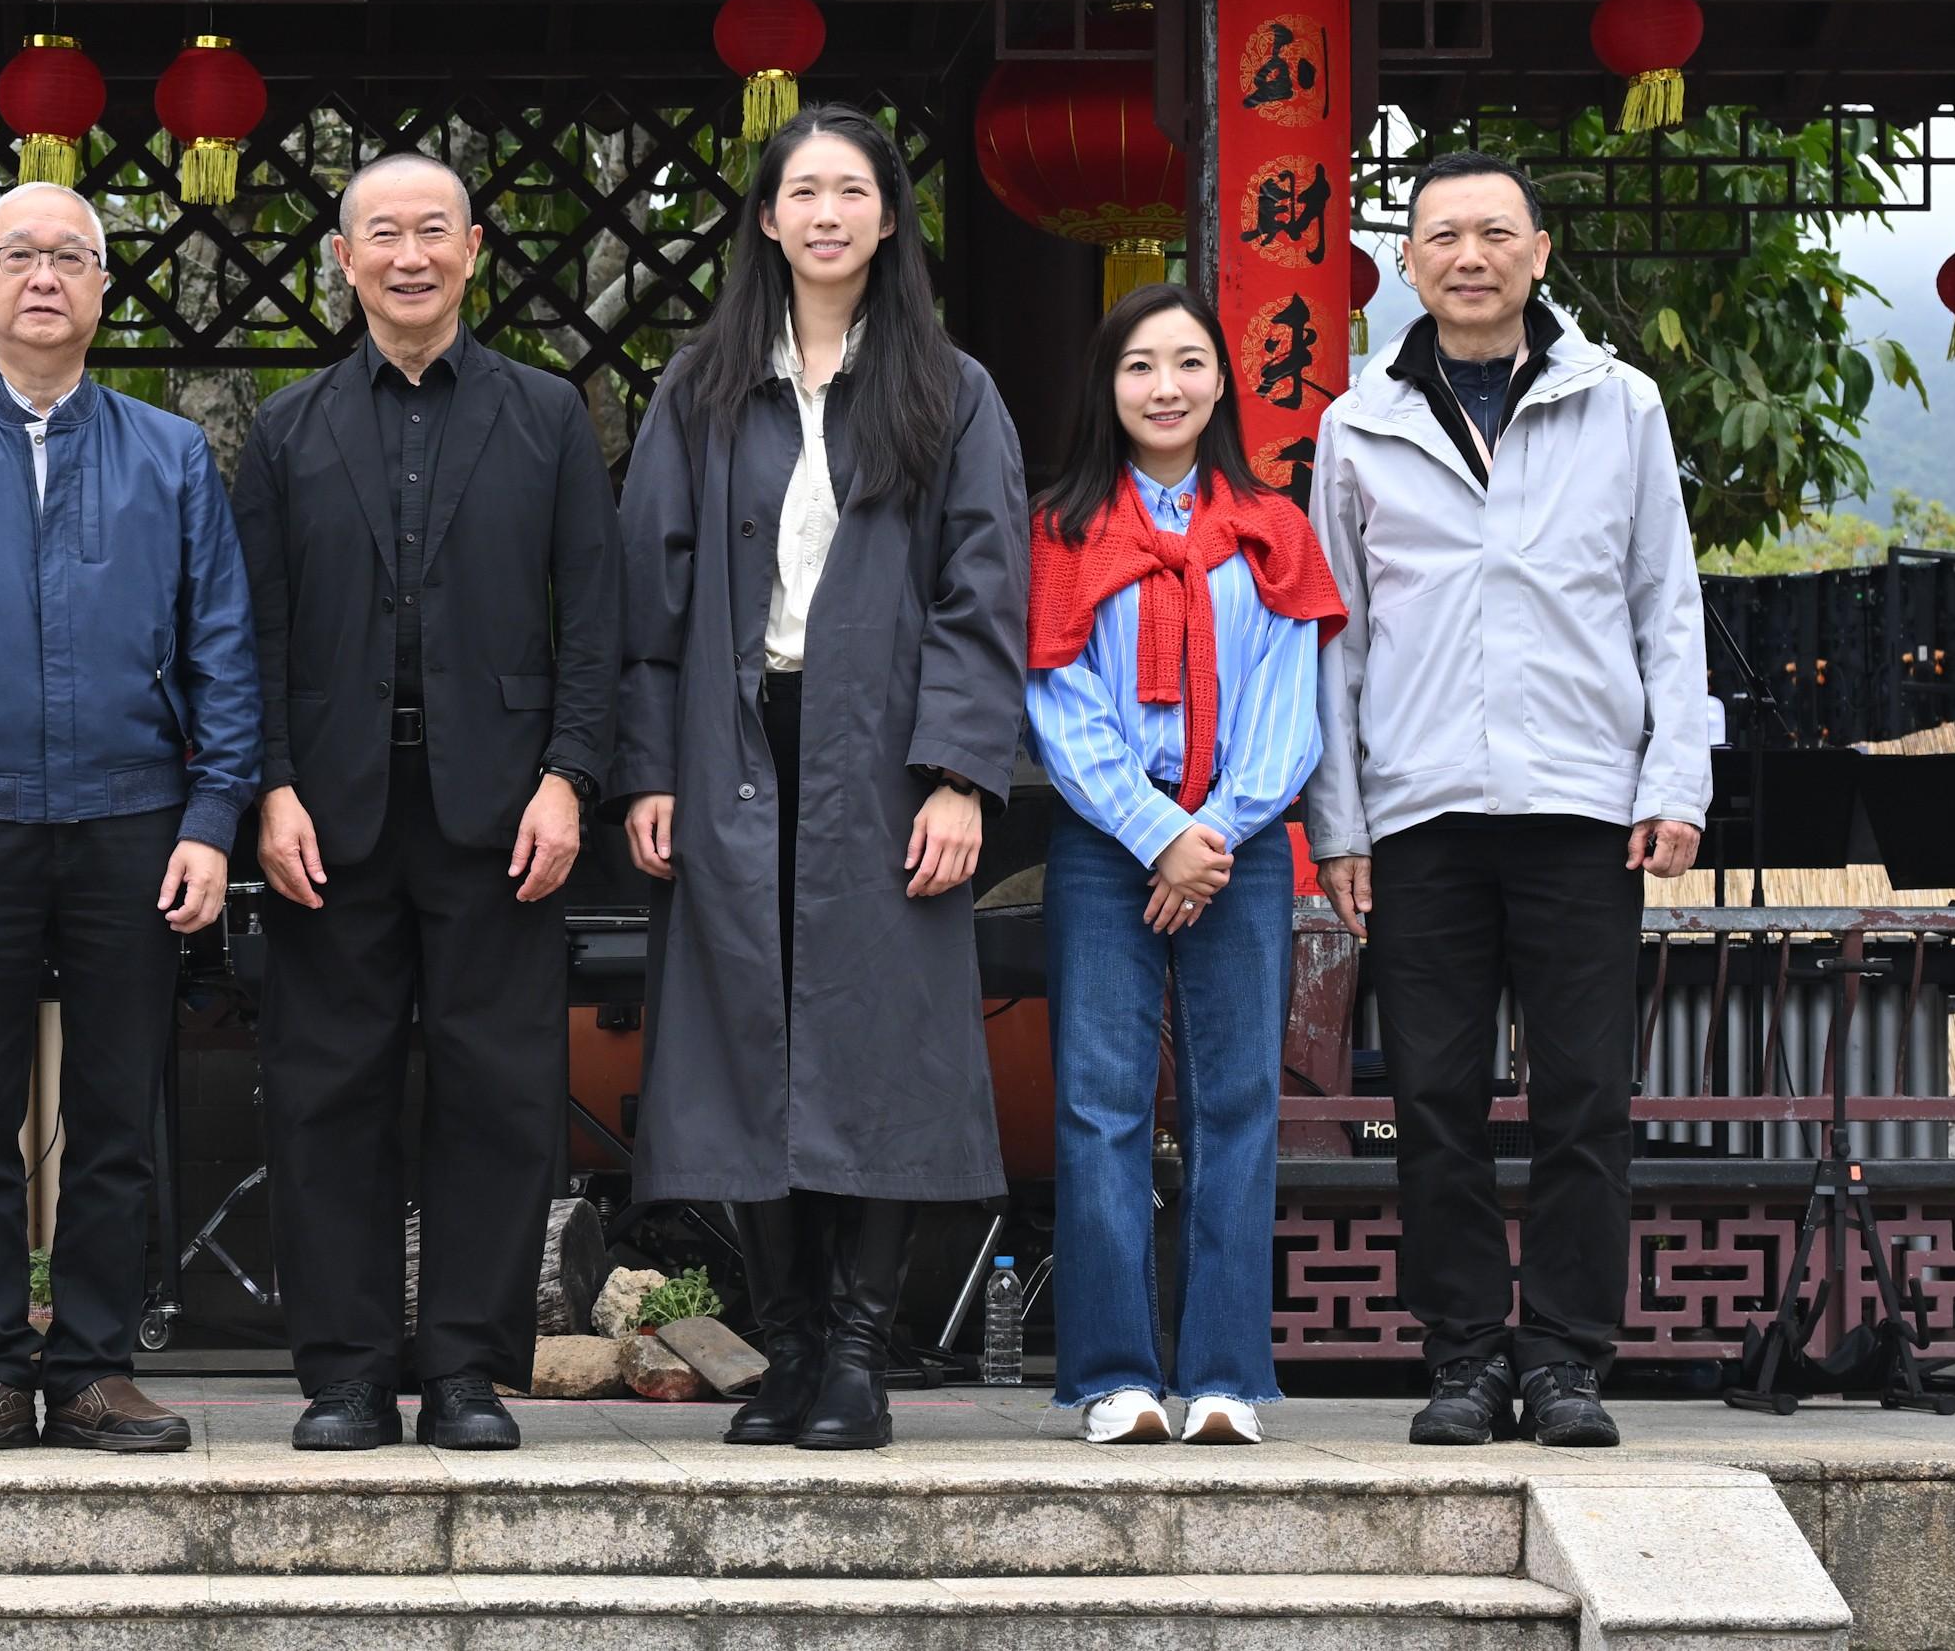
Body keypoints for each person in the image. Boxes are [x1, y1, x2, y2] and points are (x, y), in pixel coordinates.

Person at [615, 103, 1025, 1453]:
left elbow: (983, 590)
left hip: (886, 757)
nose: (830, 213)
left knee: (878, 1047)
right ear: (770, 218)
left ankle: (858, 1353)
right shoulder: (704, 383)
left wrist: (962, 774)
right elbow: (652, 595)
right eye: (805, 190)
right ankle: (786, 1345)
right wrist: (649, 767)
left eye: (855, 190)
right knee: (746, 1046)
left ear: (893, 216)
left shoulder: (950, 390)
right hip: (734, 751)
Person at [0, 180, 260, 1456]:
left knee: (120, 1104)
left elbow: (221, 648)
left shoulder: (169, 452)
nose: (42, 277)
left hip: (134, 814)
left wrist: (211, 813)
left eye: (68, 257)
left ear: (99, 288)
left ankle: (89, 1362)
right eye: (16, 256)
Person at [1311, 151, 1709, 1452]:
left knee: (1585, 1093)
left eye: (1495, 231)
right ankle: (1466, 1353)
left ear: (1541, 251)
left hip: (1581, 804)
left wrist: (1674, 779)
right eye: (1442, 235)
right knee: (1429, 1094)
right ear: (1408, 263)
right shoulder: (1358, 420)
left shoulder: (1621, 403)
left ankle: (1570, 1359)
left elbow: (1666, 603)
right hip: (1421, 809)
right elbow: (1341, 638)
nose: (1469, 254)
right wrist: (1343, 815)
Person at [232, 151, 617, 1452]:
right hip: (327, 812)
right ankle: (343, 1368)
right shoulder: (285, 430)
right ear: (342, 259)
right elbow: (256, 633)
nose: (408, 254)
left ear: (474, 248)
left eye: (432, 230)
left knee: (499, 1090)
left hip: (505, 809)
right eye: (380, 233)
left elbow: (595, 616)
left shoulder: (549, 412)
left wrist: (571, 775)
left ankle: (465, 1367)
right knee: (324, 1090)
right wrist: (267, 784)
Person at [1023, 283, 1343, 1448]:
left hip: (1241, 849)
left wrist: (1212, 831)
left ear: (1220, 384)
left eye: (1189, 364)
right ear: (1107, 389)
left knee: (1237, 1104)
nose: (1165, 387)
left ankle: (1221, 1374)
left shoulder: (1270, 526)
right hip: (1110, 845)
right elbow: (1058, 707)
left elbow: (1287, 705)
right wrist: (1154, 831)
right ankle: (1113, 1375)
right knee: (1099, 1105)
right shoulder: (1061, 529)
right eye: (1139, 367)